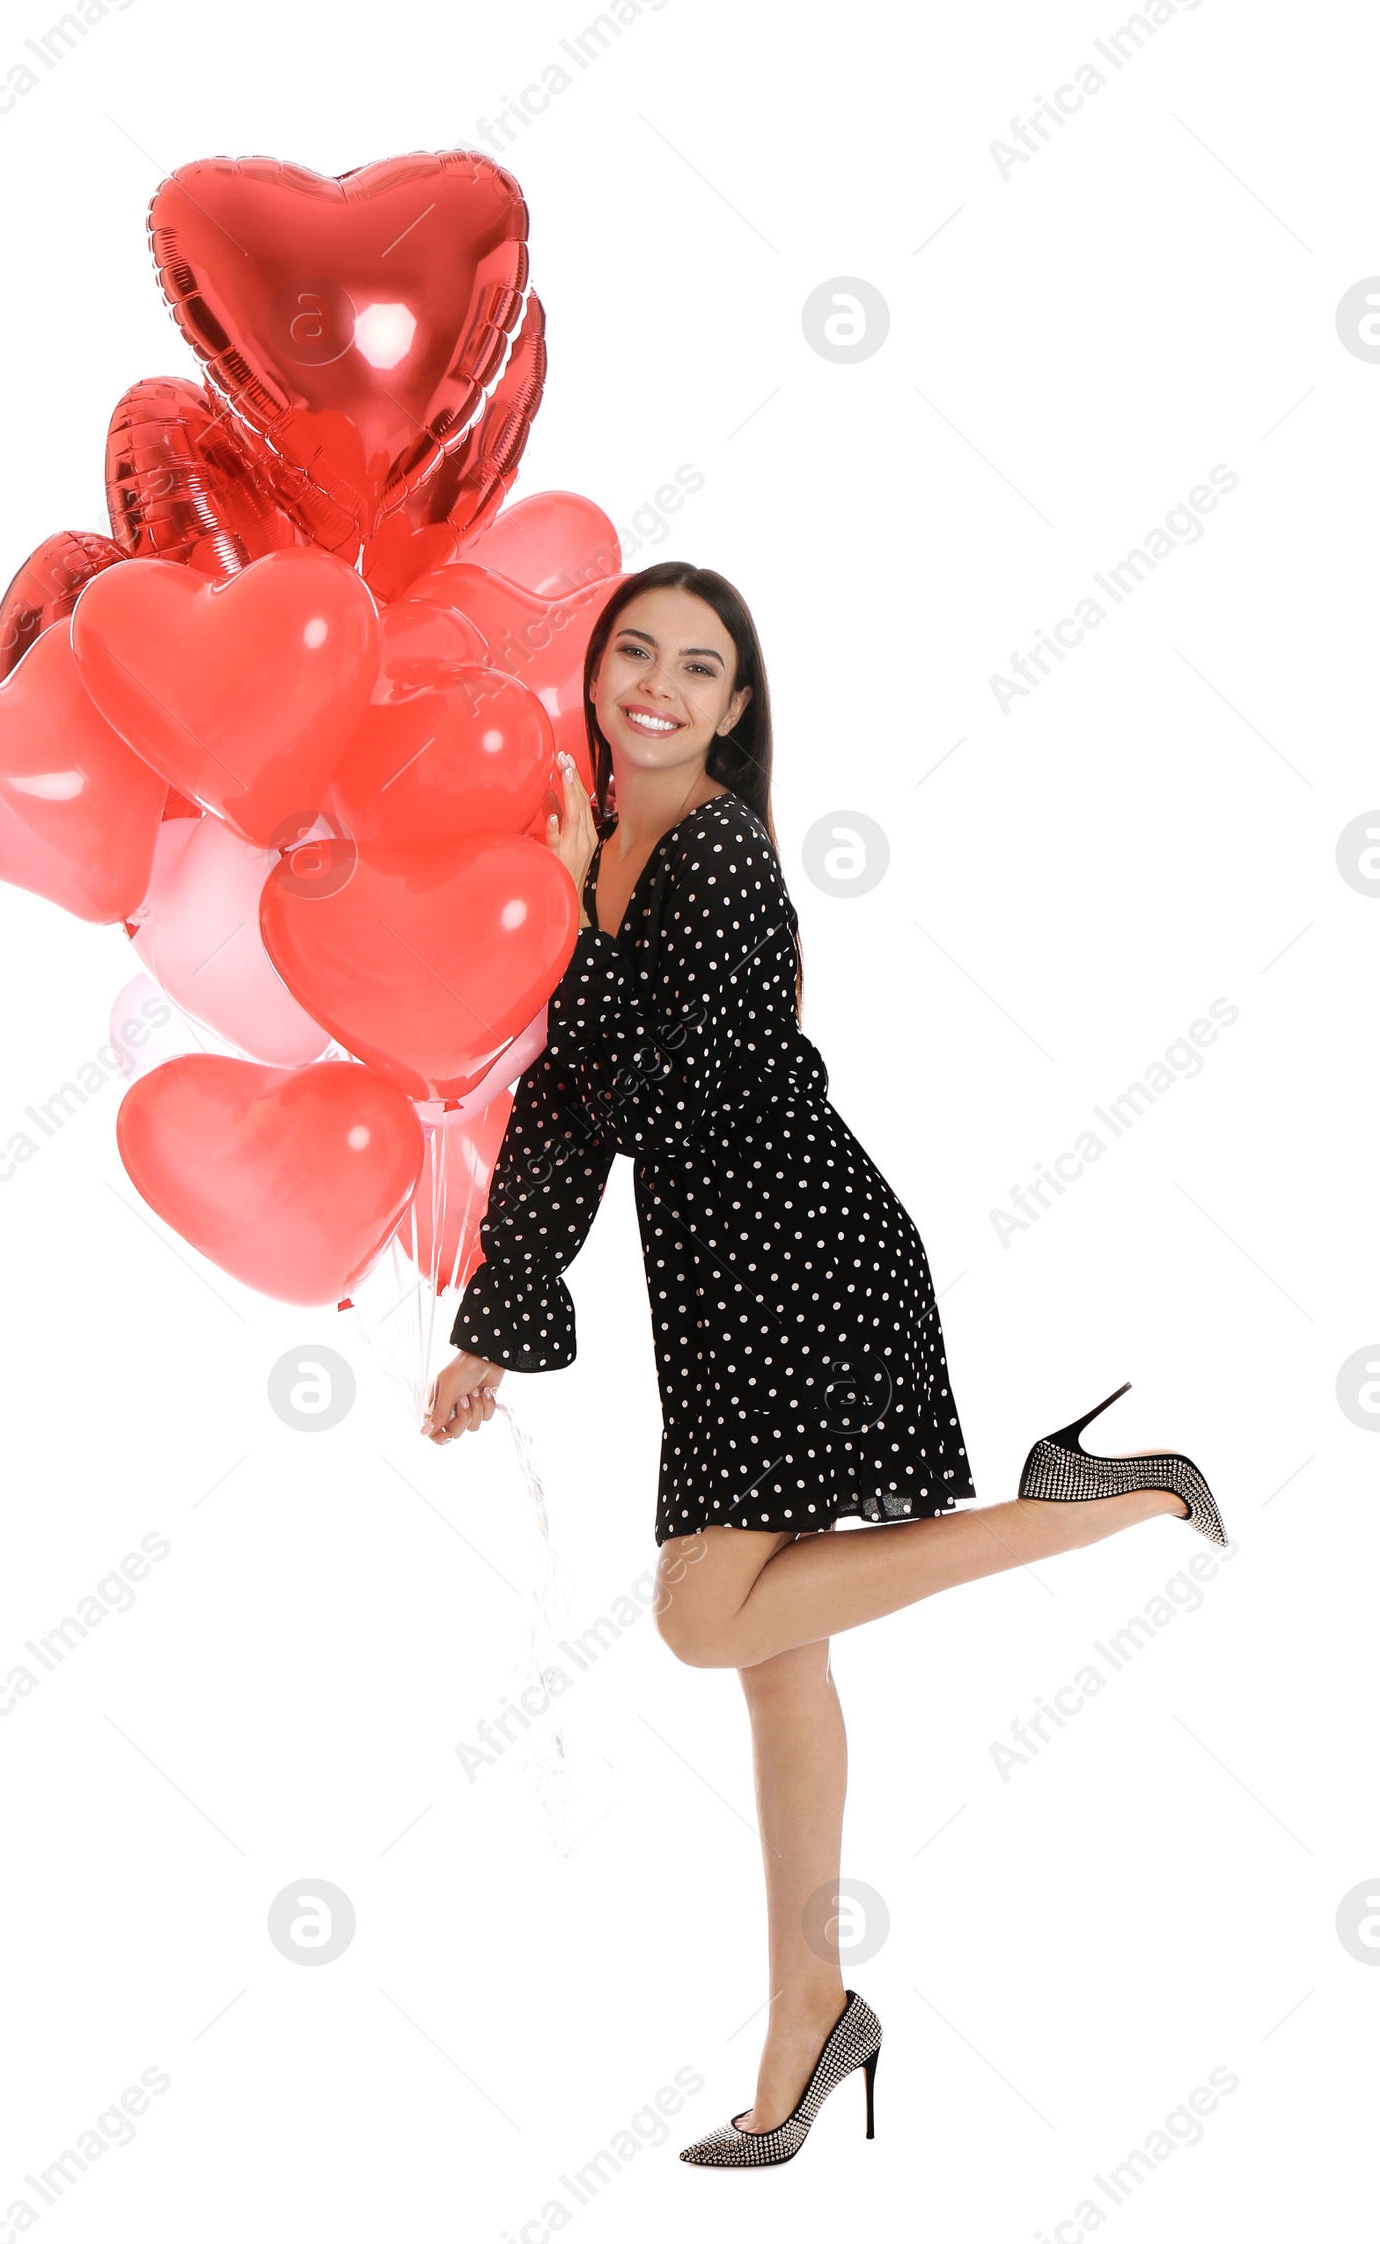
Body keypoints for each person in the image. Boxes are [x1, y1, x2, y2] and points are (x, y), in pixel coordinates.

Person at [421, 560, 1226, 2169]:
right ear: (596, 673)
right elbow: (572, 1114)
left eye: (698, 667)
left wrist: (581, 916)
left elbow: (636, 1084)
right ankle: (812, 2013)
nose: (657, 683)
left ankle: (1094, 1505)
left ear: (735, 707)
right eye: (633, 651)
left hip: (803, 1263)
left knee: (699, 1617)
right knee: (778, 1657)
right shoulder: (611, 848)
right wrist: (496, 1319)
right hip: (722, 1286)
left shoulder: (710, 855)